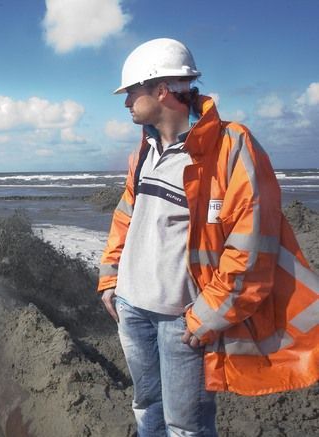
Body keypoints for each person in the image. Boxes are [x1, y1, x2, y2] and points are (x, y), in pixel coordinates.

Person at [98, 38, 318, 436]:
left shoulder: (232, 147)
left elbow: (252, 247)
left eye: (131, 92)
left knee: (186, 427)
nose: (126, 102)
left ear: (161, 90)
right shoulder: (145, 148)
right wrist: (111, 277)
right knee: (147, 407)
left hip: (182, 321)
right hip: (132, 310)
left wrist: (207, 317)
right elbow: (126, 215)